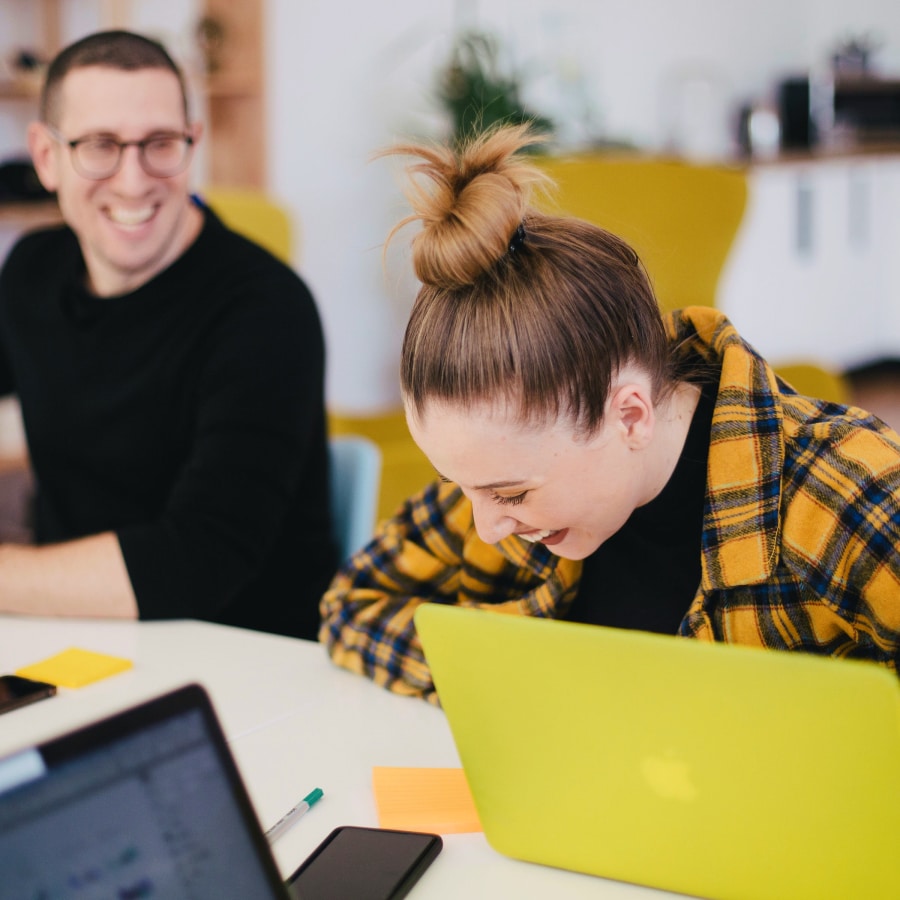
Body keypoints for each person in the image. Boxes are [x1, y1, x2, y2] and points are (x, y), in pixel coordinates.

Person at [320, 123, 900, 703]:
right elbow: (352, 607)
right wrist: (523, 677)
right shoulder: (507, 472)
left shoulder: (847, 495)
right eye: (463, 486)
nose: (487, 528)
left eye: (511, 495)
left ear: (629, 415)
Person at [0, 30, 336, 639]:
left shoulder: (265, 309)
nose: (133, 182)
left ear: (193, 144)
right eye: (99, 145)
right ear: (46, 158)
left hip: (243, 660)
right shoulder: (30, 271)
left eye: (159, 144)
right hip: (68, 635)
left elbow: (197, 560)